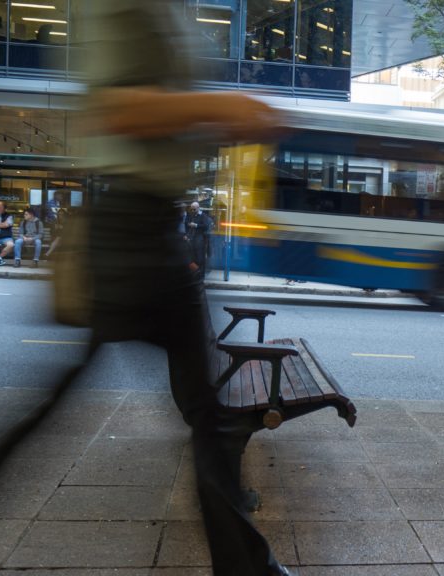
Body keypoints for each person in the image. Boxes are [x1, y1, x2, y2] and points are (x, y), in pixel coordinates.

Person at [77, 3, 289, 575]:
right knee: (203, 413)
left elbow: (160, 116)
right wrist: (224, 105)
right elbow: (119, 109)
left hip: (153, 232)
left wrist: (217, 123)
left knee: (206, 411)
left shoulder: (170, 12)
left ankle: (248, 565)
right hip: (130, 232)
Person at [184, 201, 214, 274]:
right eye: (192, 209)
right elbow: (188, 226)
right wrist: (187, 235)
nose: (193, 211)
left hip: (200, 240)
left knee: (199, 258)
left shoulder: (203, 216)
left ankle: (200, 273)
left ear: (198, 208)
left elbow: (206, 226)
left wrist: (196, 225)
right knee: (193, 257)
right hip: (192, 239)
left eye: (194, 209)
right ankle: (195, 273)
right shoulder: (192, 215)